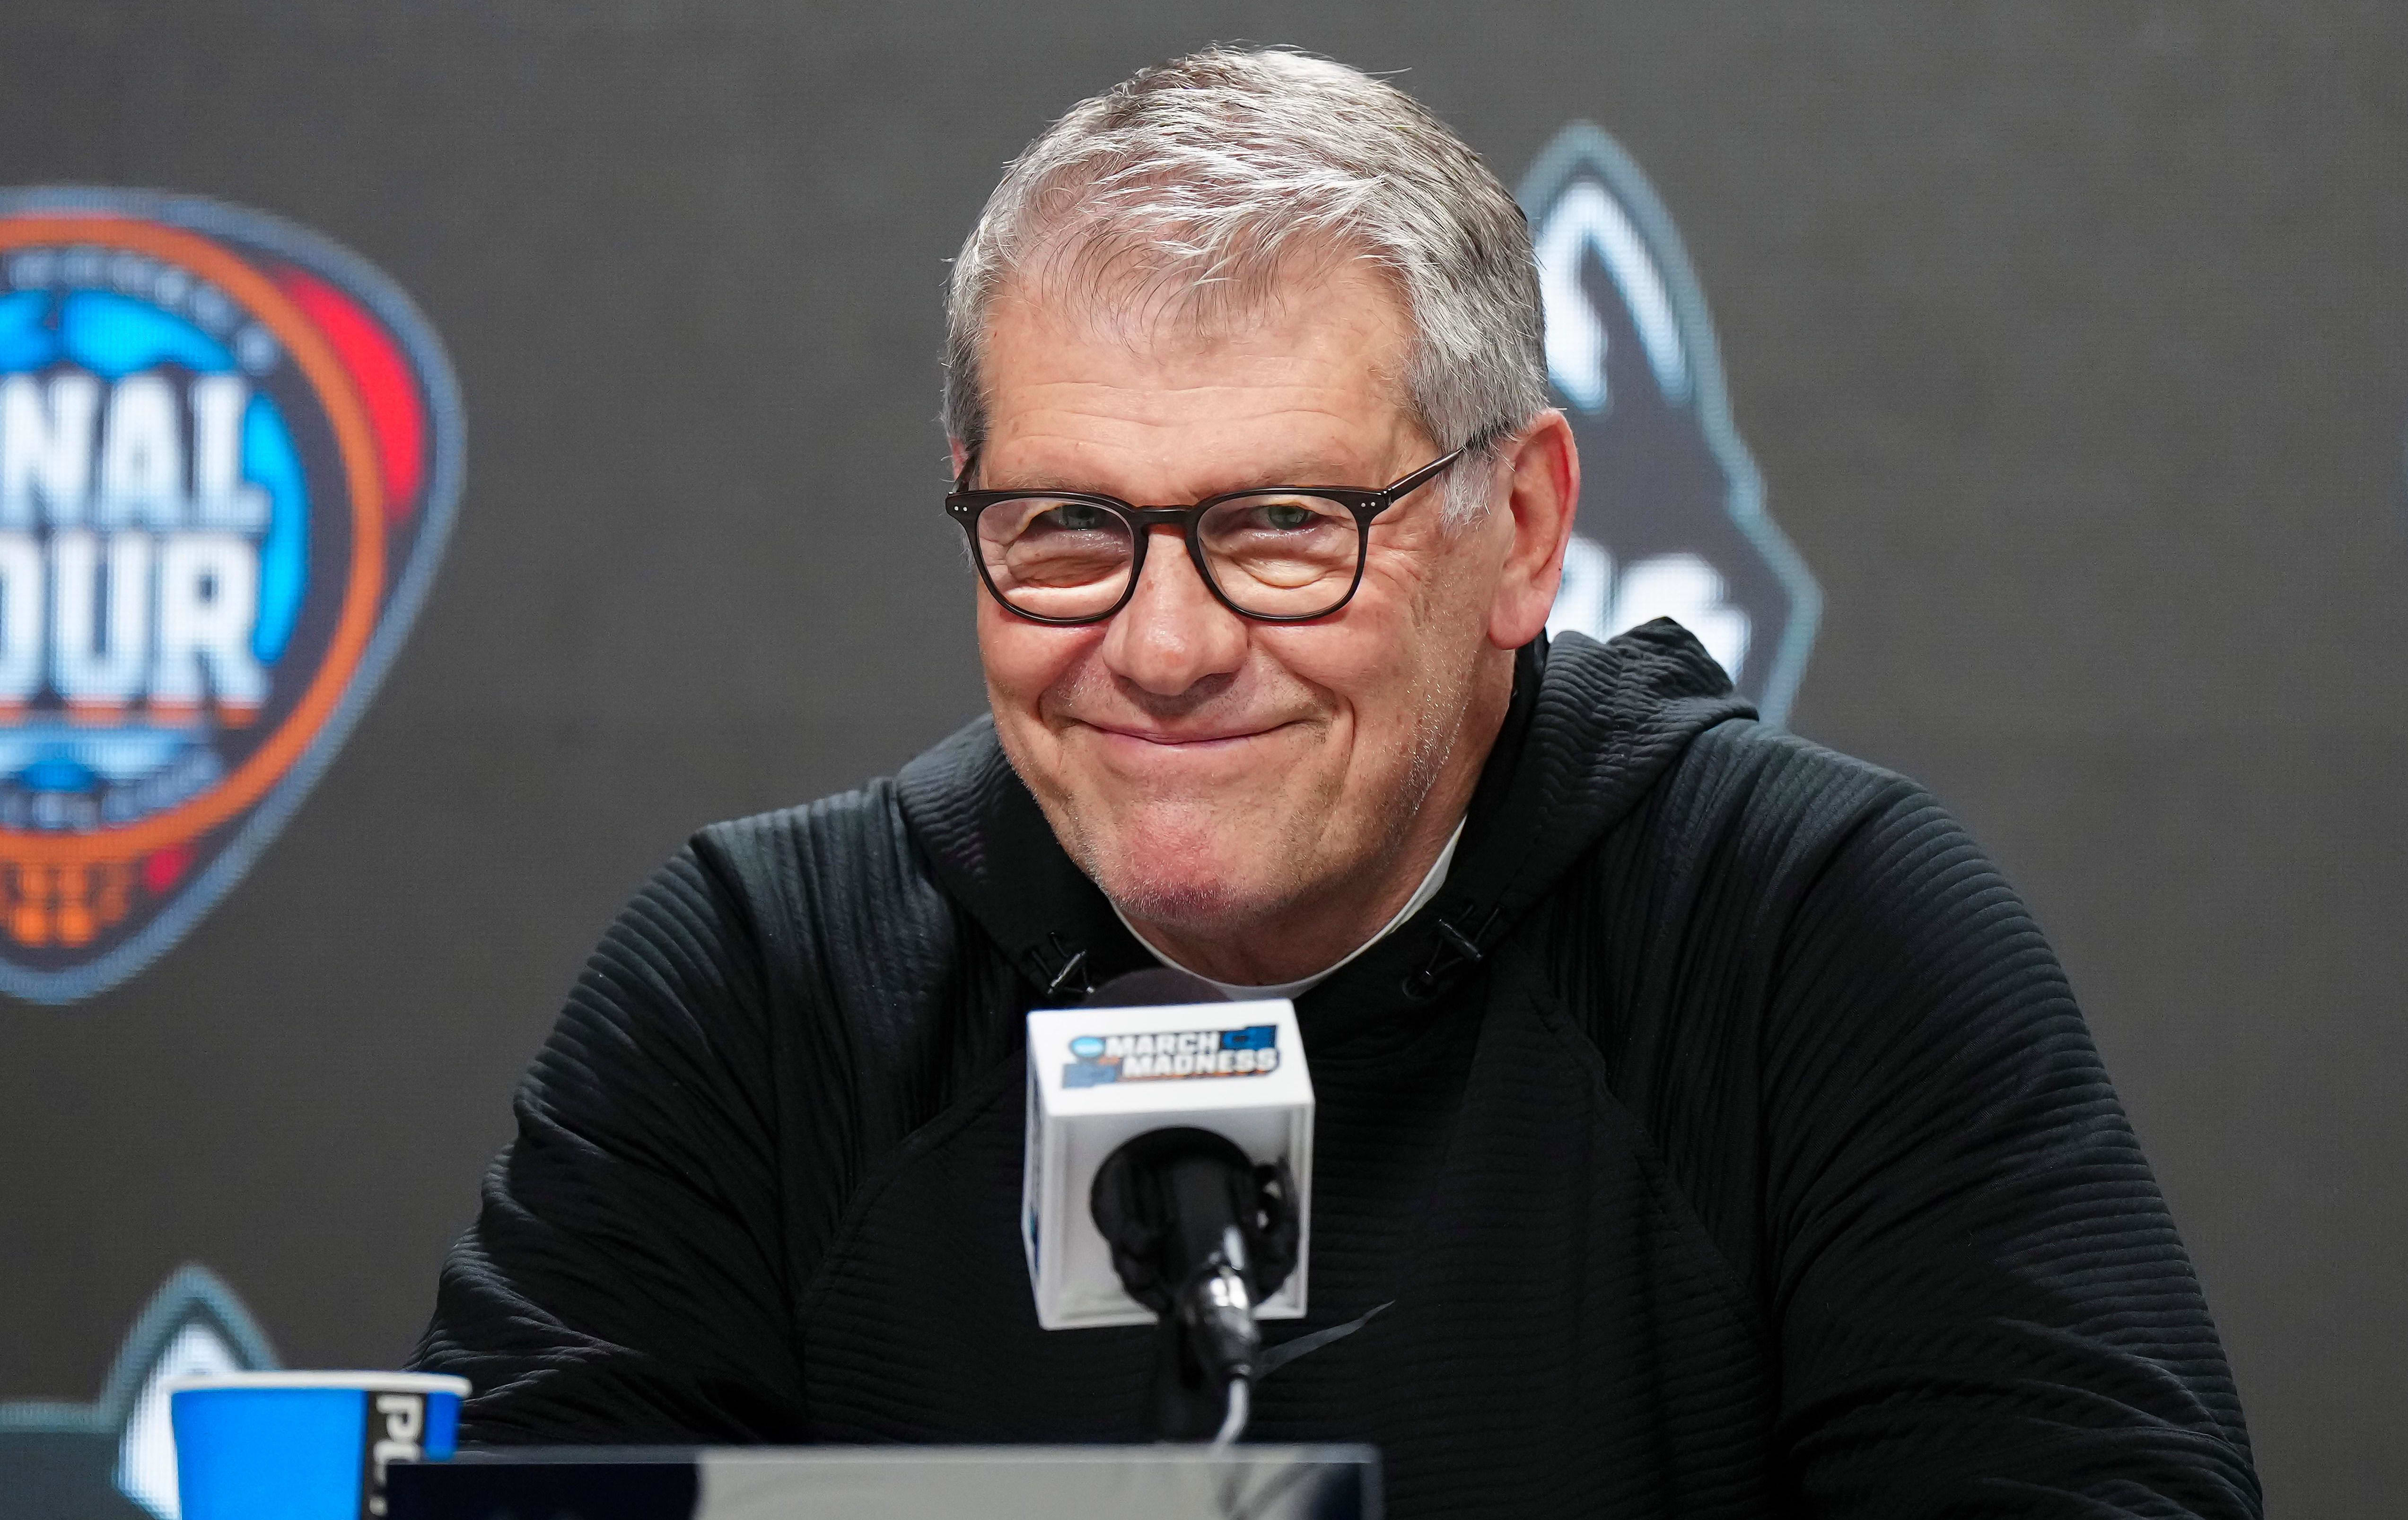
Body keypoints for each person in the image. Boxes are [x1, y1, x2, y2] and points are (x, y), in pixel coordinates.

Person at [416, 46, 2259, 1517]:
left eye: (1284, 527)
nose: (1161, 644)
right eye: (1064, 528)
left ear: (1522, 529)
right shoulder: (760, 990)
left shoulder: (1801, 938)